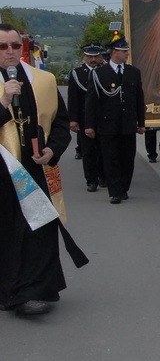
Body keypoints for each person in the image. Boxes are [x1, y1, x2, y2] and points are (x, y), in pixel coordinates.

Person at [0, 23, 87, 316]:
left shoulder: (43, 80)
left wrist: (52, 150)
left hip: (36, 170)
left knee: (39, 230)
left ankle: (33, 291)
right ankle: (9, 290)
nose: (10, 52)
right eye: (3, 47)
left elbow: (61, 124)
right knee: (9, 233)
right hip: (3, 173)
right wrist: (3, 101)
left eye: (15, 45)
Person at [85, 36, 146, 205]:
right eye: (123, 51)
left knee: (127, 158)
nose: (127, 53)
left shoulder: (134, 72)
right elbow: (91, 101)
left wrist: (141, 122)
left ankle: (124, 187)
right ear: (114, 53)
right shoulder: (99, 74)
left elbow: (139, 99)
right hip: (107, 124)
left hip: (127, 123)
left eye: (127, 50)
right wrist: (89, 125)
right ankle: (115, 192)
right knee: (111, 158)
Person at [68, 44, 106, 192]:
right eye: (90, 56)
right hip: (85, 118)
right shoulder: (77, 73)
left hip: (103, 117)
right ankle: (91, 180)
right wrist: (73, 119)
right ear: (84, 57)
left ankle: (104, 176)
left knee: (104, 149)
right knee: (88, 151)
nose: (93, 59)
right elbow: (73, 98)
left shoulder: (104, 71)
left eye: (96, 56)